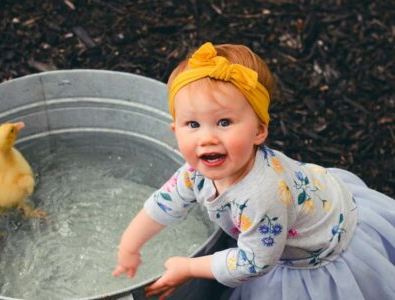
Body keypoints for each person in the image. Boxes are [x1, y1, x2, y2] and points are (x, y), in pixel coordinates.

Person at [112, 42, 395, 300]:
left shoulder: (261, 194)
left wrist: (189, 267)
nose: (206, 138)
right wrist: (130, 245)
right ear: (175, 130)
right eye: (193, 125)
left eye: (224, 122)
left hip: (320, 248)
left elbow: (255, 263)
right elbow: (164, 203)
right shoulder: (195, 172)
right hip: (301, 207)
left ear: (258, 131)